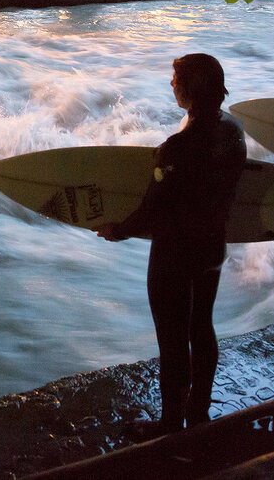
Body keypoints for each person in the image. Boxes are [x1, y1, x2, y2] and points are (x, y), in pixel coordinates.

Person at [97, 53, 247, 437]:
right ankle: (198, 412)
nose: (171, 84)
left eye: (175, 77)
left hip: (175, 255)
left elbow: (151, 210)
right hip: (213, 247)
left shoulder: (176, 148)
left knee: (172, 338)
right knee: (202, 328)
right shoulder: (234, 132)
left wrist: (118, 230)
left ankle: (170, 424)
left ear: (192, 87)